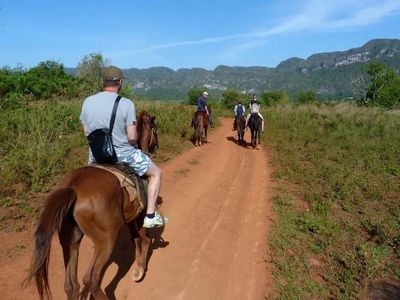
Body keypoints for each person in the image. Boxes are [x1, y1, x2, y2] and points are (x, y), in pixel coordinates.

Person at [80, 65, 168, 228]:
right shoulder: (126, 103)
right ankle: (149, 215)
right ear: (120, 82)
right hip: (122, 154)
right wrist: (131, 143)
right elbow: (132, 137)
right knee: (156, 173)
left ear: (103, 82)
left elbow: (86, 132)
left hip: (95, 156)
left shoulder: (87, 102)